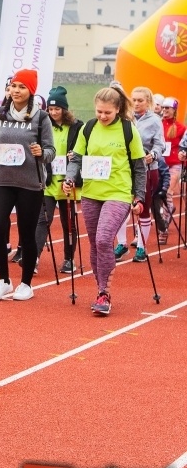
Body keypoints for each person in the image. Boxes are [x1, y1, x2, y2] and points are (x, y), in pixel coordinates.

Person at [63, 84, 147, 315]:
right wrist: (70, 178)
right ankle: (100, 289)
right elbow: (76, 159)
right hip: (91, 193)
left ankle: (104, 292)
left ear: (118, 109)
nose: (102, 116)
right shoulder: (88, 128)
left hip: (118, 193)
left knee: (103, 239)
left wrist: (139, 197)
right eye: (99, 111)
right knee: (94, 243)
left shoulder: (129, 130)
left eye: (107, 113)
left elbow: (139, 167)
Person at [0, 68, 55, 301]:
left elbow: (51, 151)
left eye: (22, 87)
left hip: (30, 183)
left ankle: (26, 284)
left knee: (27, 234)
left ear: (31, 91)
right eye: (14, 86)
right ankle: (3, 281)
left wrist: (42, 152)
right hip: (3, 181)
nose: (17, 90)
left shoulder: (41, 118)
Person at [33, 86, 84, 274]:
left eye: (57, 109)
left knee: (68, 222)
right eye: (51, 109)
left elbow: (84, 149)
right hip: (48, 180)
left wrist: (76, 154)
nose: (53, 112)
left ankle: (69, 259)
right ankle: (34, 259)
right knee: (42, 221)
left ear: (65, 109)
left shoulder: (77, 126)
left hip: (68, 181)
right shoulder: (43, 125)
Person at [113, 87, 165, 259]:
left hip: (148, 169)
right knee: (121, 207)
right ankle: (121, 244)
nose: (136, 103)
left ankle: (142, 247)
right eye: (133, 100)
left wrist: (153, 155)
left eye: (140, 100)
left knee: (142, 207)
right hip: (125, 170)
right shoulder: (125, 119)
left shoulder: (155, 120)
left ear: (148, 102)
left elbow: (160, 144)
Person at [161, 97, 186, 242]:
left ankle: (163, 227)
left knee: (167, 192)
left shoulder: (181, 128)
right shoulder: (158, 125)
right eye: (163, 108)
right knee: (158, 195)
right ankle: (169, 209)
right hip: (160, 164)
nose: (164, 110)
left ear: (174, 110)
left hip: (174, 164)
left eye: (167, 108)